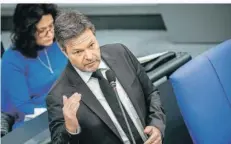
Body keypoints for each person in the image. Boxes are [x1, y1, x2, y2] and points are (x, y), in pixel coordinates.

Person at [46, 10, 165, 144]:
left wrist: (157, 125)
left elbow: (151, 93)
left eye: (91, 45)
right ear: (65, 52)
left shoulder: (121, 53)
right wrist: (71, 128)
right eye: (78, 52)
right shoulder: (58, 95)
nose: (89, 56)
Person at [1, 4, 67, 129]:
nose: (50, 33)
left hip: (70, 110)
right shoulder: (13, 58)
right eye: (42, 30)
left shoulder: (59, 41)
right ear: (27, 32)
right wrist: (60, 113)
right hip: (36, 121)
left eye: (51, 25)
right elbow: (23, 107)